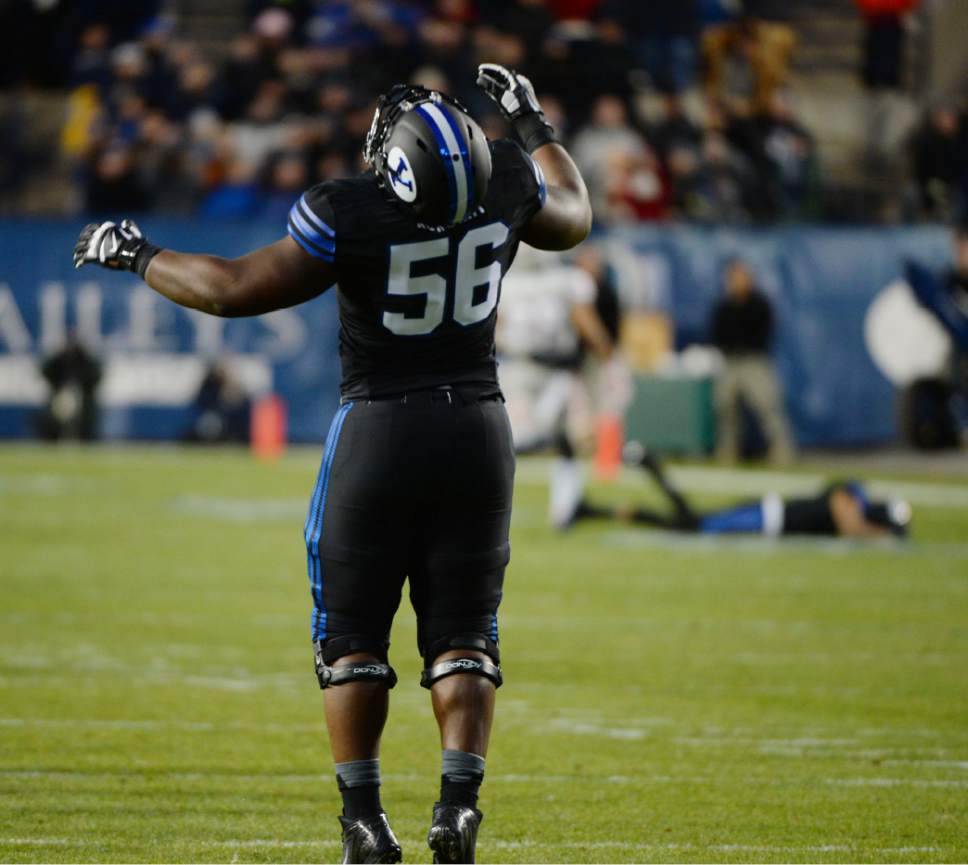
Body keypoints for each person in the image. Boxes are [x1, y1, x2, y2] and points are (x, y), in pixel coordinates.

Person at [73, 64, 591, 864]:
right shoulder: (508, 183)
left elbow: (232, 288)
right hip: (480, 432)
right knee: (465, 635)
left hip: (380, 432)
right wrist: (532, 124)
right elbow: (576, 215)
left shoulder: (348, 210)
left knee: (350, 636)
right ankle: (457, 806)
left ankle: (365, 819)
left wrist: (137, 253)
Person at [495, 244, 618, 529]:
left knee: (549, 440)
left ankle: (564, 507)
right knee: (526, 440)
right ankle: (561, 509)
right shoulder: (566, 280)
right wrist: (608, 352)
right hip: (529, 367)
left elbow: (493, 325)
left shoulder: (510, 278)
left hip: (533, 367)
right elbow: (585, 321)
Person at [575, 444, 912, 539]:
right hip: (767, 517)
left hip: (769, 520)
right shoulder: (854, 494)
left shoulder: (859, 501)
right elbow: (846, 518)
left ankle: (593, 512)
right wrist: (879, 533)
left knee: (683, 525)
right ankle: (652, 465)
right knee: (695, 524)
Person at [710, 258, 795, 464]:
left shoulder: (759, 305)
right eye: (733, 278)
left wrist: (745, 347)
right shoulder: (724, 306)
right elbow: (716, 333)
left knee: (767, 407)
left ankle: (782, 452)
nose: (736, 282)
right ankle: (727, 453)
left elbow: (764, 332)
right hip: (730, 362)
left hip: (754, 361)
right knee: (725, 409)